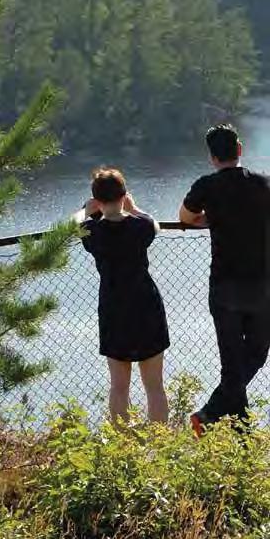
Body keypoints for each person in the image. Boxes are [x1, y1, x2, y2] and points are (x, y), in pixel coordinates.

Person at [178, 124, 270, 434]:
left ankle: (211, 417)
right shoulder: (264, 183)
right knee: (256, 353)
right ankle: (233, 431)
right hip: (259, 282)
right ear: (239, 150)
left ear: (212, 157)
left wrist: (211, 219)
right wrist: (258, 215)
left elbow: (185, 218)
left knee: (232, 363)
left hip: (223, 285)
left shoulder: (206, 186)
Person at [73, 168, 169, 424]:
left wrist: (86, 208)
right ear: (124, 195)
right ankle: (160, 446)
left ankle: (123, 447)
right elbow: (155, 225)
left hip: (113, 308)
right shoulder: (140, 227)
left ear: (97, 200)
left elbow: (74, 222)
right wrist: (133, 207)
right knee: (155, 387)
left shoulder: (94, 232)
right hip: (147, 305)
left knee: (118, 387)